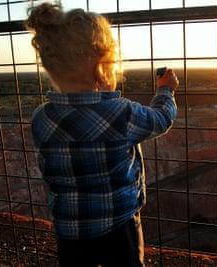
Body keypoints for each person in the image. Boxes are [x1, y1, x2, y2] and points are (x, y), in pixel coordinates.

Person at [26, 3, 178, 266]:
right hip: (118, 225)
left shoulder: (42, 117)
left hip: (69, 230)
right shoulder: (120, 113)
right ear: (101, 64)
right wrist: (166, 91)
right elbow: (161, 119)